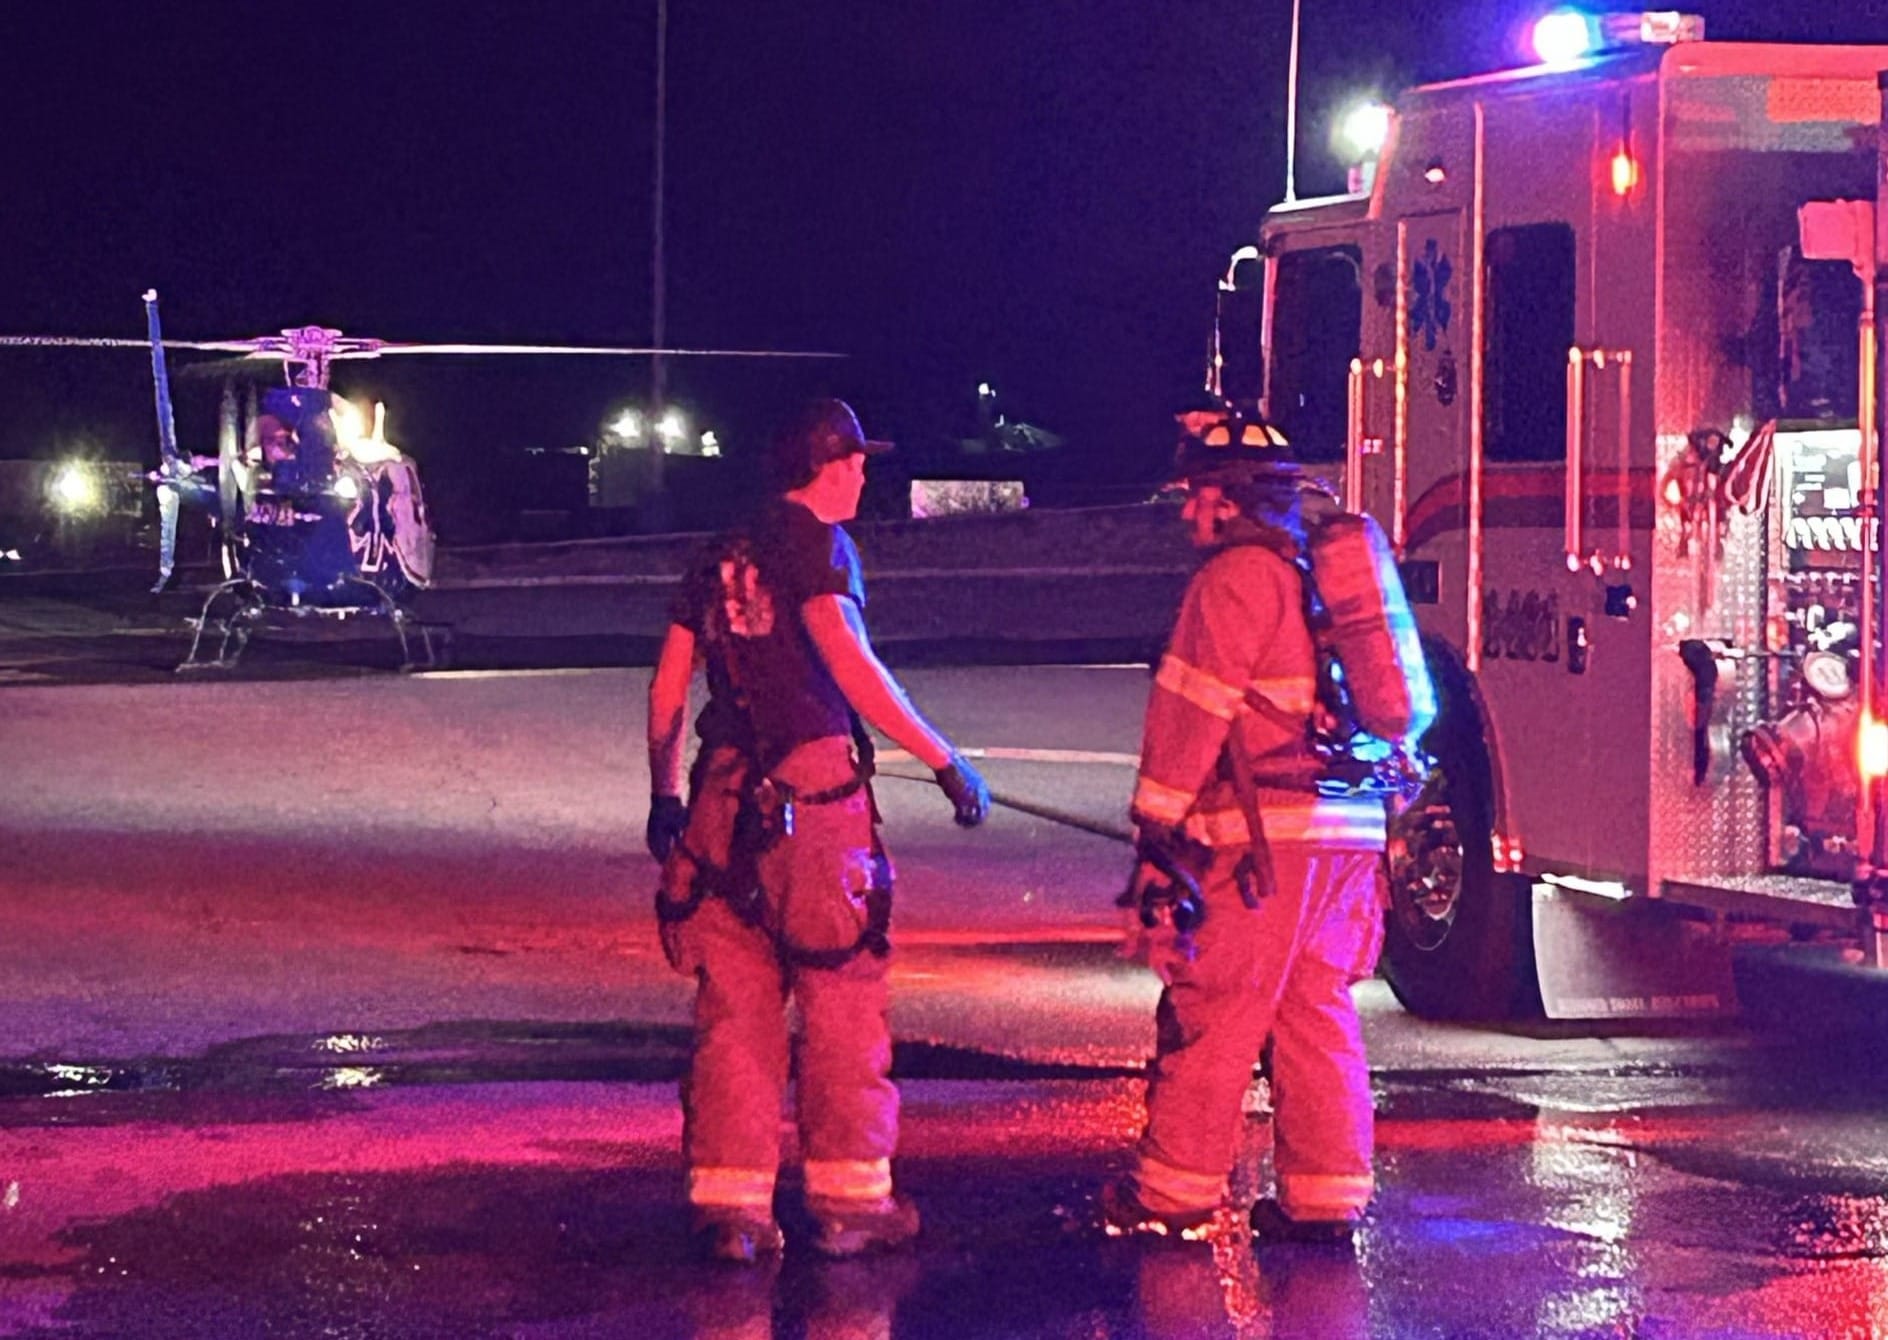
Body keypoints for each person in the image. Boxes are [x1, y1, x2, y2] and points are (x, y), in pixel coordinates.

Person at [646, 397, 991, 1264]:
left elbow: (666, 695)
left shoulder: (717, 555)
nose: (866, 473)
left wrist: (662, 799)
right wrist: (944, 759)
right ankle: (850, 1204)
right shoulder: (821, 547)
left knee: (736, 1005)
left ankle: (733, 1213)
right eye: (857, 460)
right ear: (827, 465)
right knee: (840, 995)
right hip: (813, 799)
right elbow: (847, 658)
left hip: (721, 799)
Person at [1101, 406, 1406, 1247]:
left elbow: (1191, 715)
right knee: (1317, 1012)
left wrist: (1156, 832)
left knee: (1219, 1010)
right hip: (1348, 835)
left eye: (1193, 494)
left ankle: (1172, 1197)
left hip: (1265, 845)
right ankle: (1325, 1198)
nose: (1186, 511)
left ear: (1225, 500)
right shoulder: (1318, 574)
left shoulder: (1234, 579)